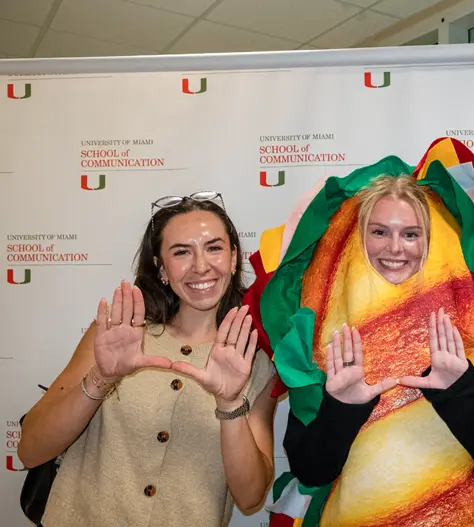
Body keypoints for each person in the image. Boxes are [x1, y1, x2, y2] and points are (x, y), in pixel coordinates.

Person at [246, 140, 474, 526]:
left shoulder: (470, 322)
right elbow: (309, 469)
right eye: (380, 232)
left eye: (411, 234)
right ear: (358, 237)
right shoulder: (324, 331)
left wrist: (460, 389)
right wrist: (343, 407)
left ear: (429, 240)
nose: (395, 248)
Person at [17, 192, 279, 527]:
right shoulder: (115, 334)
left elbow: (251, 496)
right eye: (181, 252)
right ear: (161, 268)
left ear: (232, 258)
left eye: (213, 248)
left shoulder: (254, 358)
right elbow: (30, 450)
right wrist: (102, 378)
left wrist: (230, 403)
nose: (201, 265)